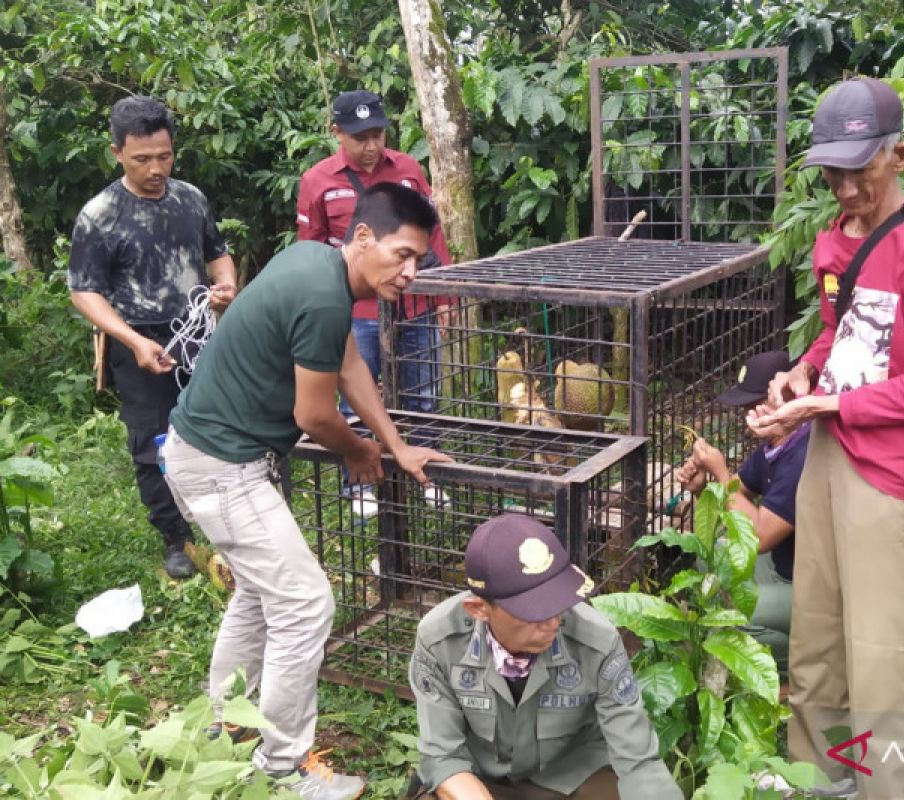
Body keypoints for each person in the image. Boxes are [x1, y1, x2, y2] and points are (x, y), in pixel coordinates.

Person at [162, 183, 453, 799]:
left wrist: (394, 444)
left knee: (263, 596)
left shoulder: (317, 263)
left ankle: (225, 727)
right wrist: (359, 453)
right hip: (220, 464)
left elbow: (349, 365)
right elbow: (314, 415)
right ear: (364, 236)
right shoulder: (324, 295)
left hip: (207, 454)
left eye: (419, 260)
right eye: (401, 253)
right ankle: (283, 768)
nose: (409, 271)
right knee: (305, 604)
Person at [746, 77, 904, 799]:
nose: (846, 189)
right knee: (815, 643)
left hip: (890, 473)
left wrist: (827, 407)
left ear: (900, 154)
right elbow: (840, 338)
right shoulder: (843, 240)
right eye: (834, 173)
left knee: (882, 659)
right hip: (827, 455)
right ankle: (818, 779)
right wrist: (800, 376)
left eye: (861, 170)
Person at [67, 95, 236, 579]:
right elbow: (85, 293)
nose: (156, 168)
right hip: (137, 340)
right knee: (153, 440)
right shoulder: (100, 215)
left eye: (164, 156)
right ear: (117, 152)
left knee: (214, 426)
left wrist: (225, 287)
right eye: (142, 159)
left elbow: (217, 254)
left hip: (197, 334)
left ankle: (223, 519)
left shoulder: (190, 199)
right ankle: (175, 538)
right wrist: (132, 340)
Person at [407, 513, 683, 800]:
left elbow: (638, 762)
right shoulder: (439, 640)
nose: (552, 622)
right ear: (478, 609)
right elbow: (443, 756)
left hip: (570, 780)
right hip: (480, 782)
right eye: (533, 610)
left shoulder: (597, 642)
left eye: (556, 600)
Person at [297, 89, 453, 514]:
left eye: (377, 135)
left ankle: (426, 473)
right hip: (355, 312)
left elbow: (431, 236)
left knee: (423, 392)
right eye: (359, 137)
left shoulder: (407, 170)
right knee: (353, 398)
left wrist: (443, 296)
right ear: (336, 133)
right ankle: (360, 481)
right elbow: (310, 250)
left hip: (414, 303)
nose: (370, 147)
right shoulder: (317, 181)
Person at [676, 350, 808, 671]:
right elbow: (734, 496)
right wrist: (703, 489)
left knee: (733, 616)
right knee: (713, 557)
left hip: (812, 588)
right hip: (781, 568)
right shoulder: (774, 445)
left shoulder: (804, 452)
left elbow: (760, 535)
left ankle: (802, 673)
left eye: (755, 405)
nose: (749, 416)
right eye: (745, 408)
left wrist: (720, 473)